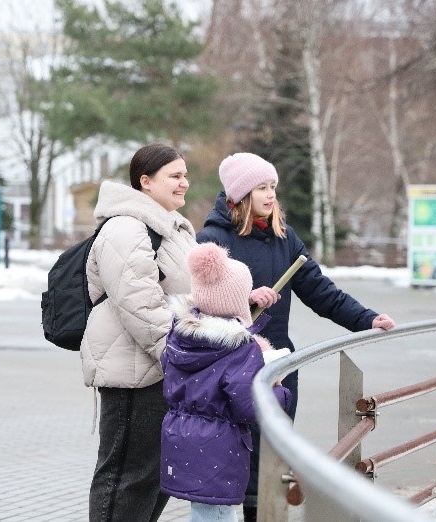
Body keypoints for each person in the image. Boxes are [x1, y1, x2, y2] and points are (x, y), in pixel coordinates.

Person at [196, 152, 396, 521]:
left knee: (272, 461)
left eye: (273, 187)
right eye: (261, 187)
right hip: (230, 369)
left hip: (278, 368)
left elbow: (322, 292)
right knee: (233, 467)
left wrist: (367, 319)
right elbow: (199, 306)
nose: (271, 195)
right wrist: (246, 299)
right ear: (240, 195)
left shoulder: (284, 238)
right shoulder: (212, 240)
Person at [83, 143, 197, 522]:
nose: (185, 183)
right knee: (125, 478)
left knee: (152, 477)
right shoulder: (127, 227)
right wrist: (176, 355)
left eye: (185, 174)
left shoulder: (172, 227)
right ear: (145, 182)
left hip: (162, 367)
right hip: (135, 371)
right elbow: (139, 303)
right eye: (175, 176)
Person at [160, 242, 292, 522]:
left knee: (204, 511)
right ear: (235, 301)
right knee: (218, 514)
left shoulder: (180, 336)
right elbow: (249, 405)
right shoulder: (239, 349)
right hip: (219, 447)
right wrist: (281, 394)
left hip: (181, 437)